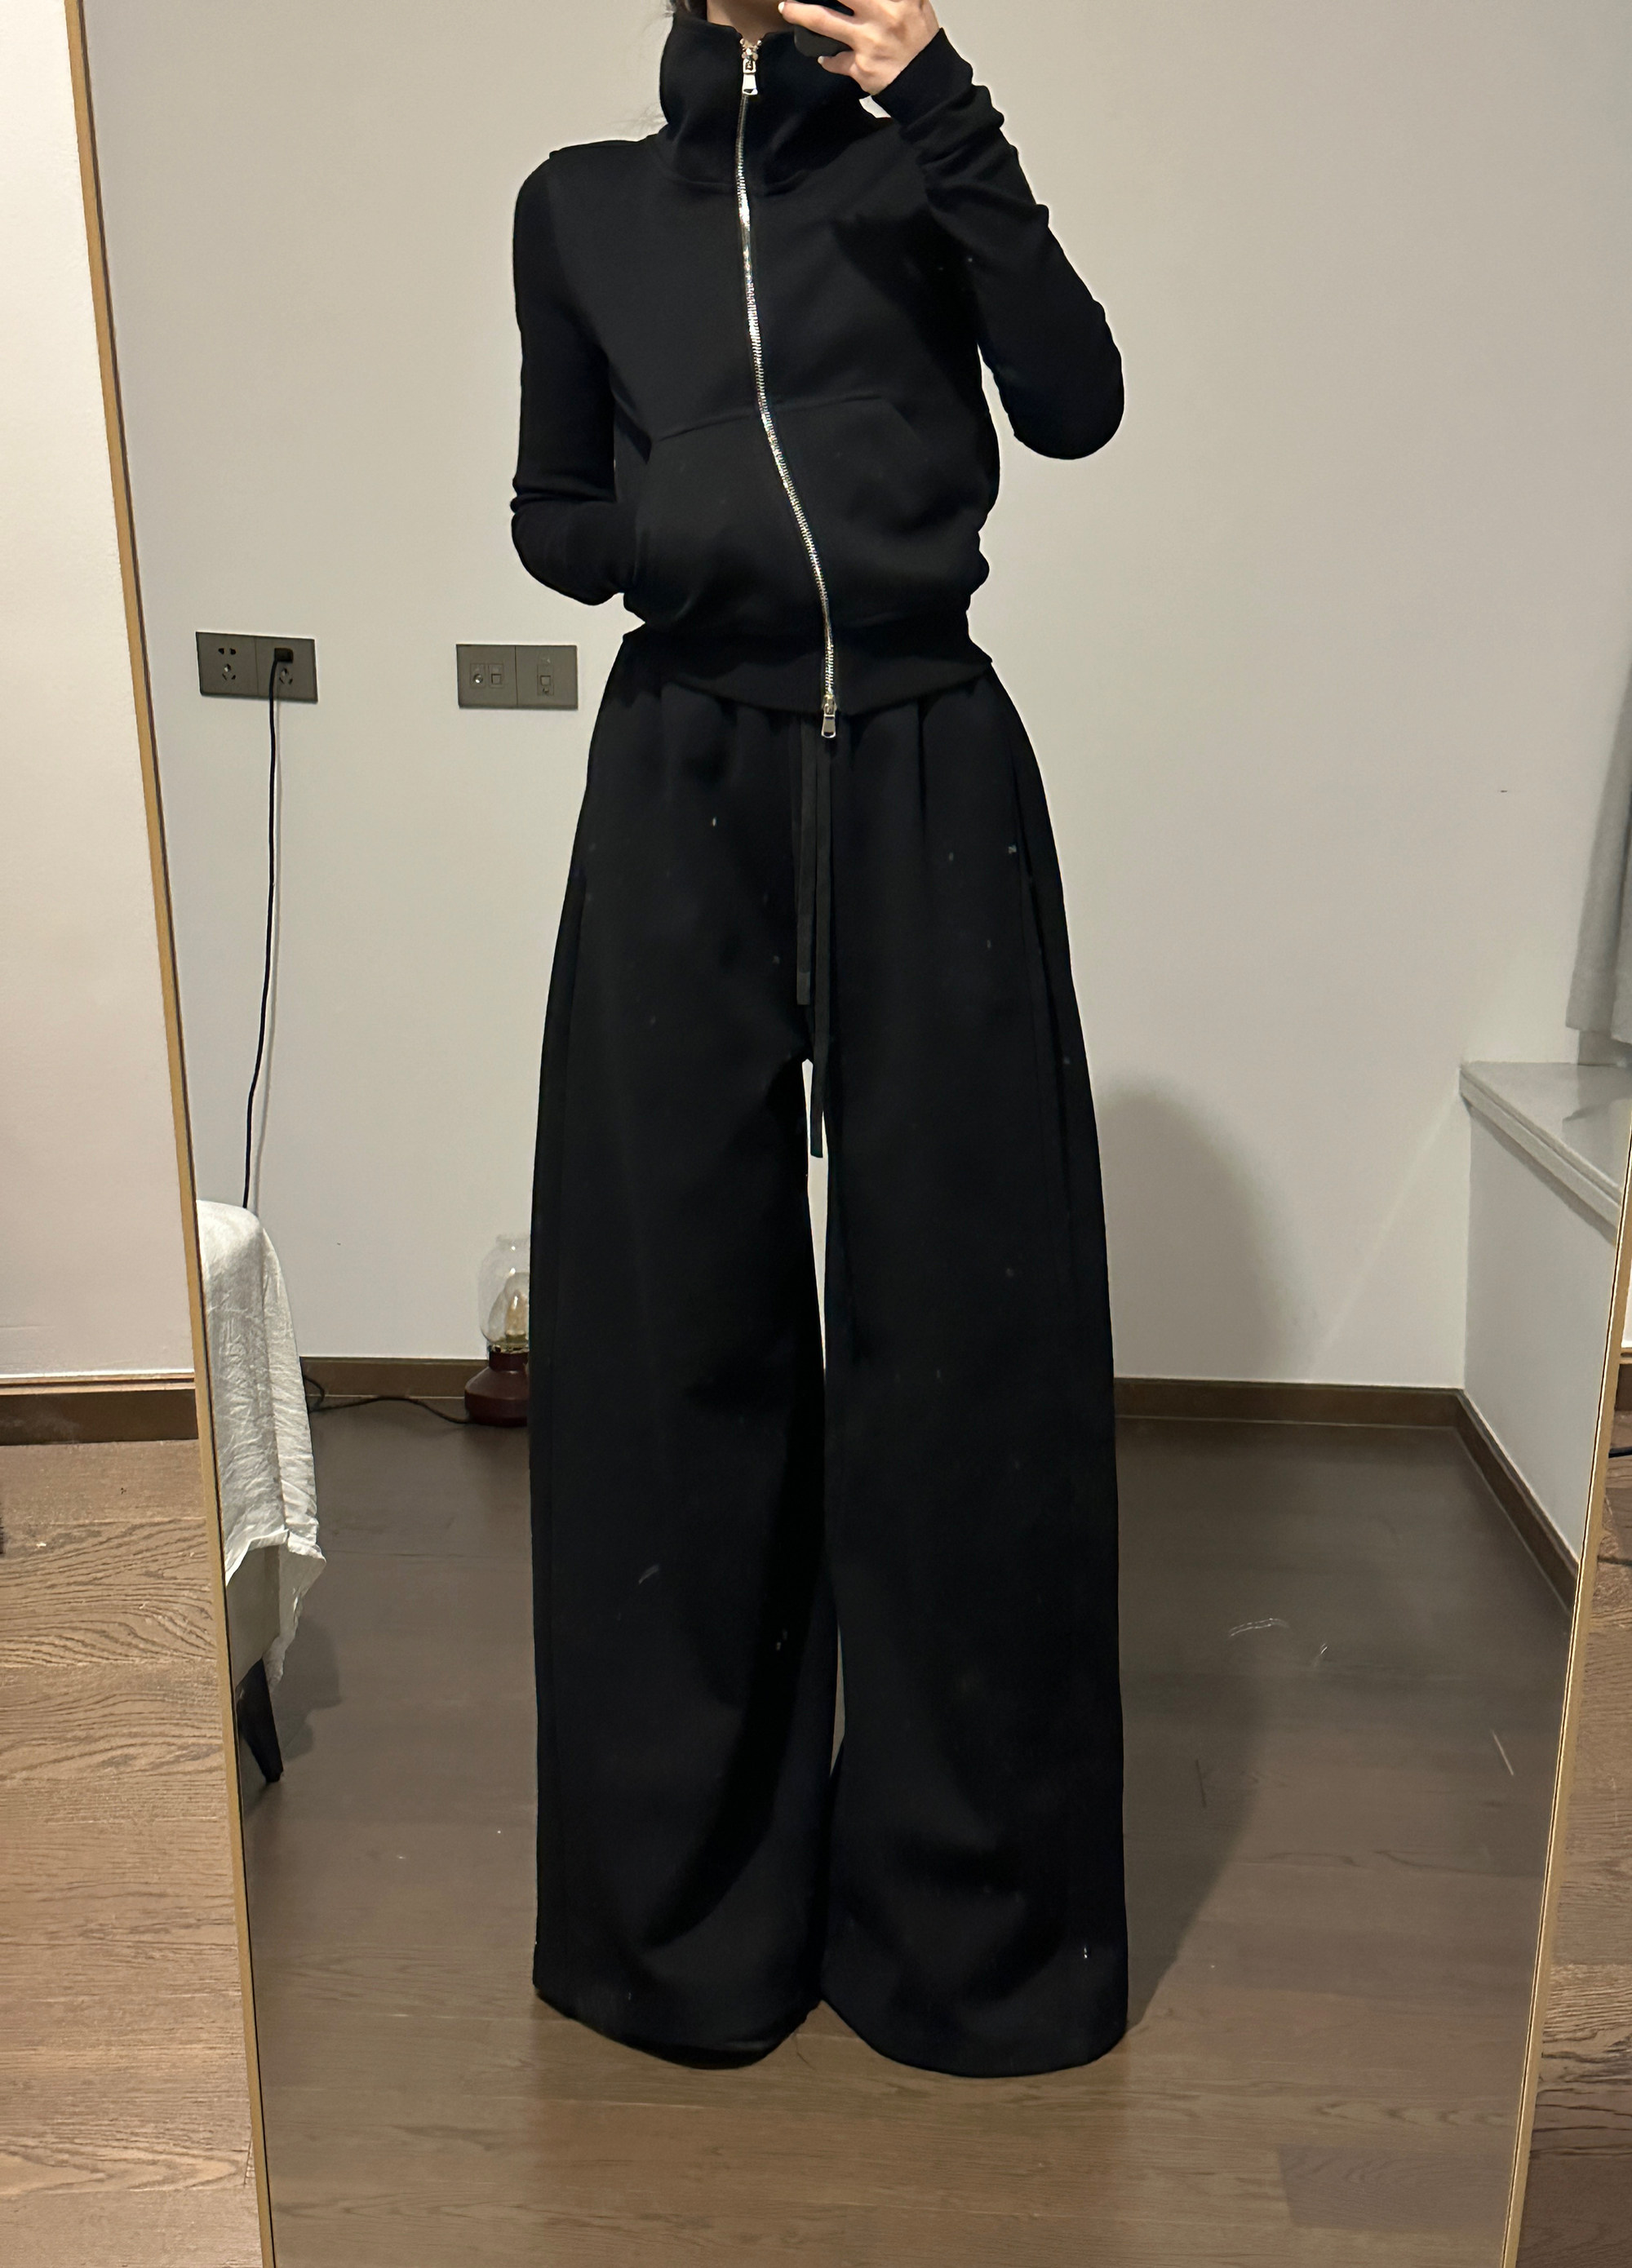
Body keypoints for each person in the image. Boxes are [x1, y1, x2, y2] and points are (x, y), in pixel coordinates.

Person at [512, 0, 1125, 2079]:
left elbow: (1075, 401)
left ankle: (971, 1938)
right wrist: (683, 532)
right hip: (681, 768)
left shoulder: (911, 170)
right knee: (666, 1332)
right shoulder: (580, 208)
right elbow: (550, 513)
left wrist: (939, 97)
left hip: (931, 759)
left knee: (966, 1340)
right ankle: (680, 1928)